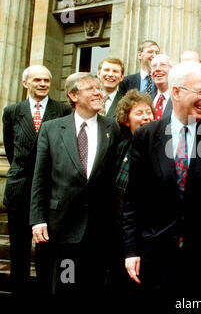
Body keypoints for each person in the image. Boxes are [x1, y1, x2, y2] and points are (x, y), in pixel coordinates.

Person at [123, 61, 201, 294]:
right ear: (176, 92)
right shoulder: (147, 136)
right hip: (156, 254)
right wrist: (131, 250)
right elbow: (133, 199)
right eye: (200, 92)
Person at [30, 72, 120, 293]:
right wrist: (37, 219)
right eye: (91, 88)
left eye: (99, 88)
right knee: (65, 283)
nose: (99, 92)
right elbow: (40, 178)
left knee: (93, 284)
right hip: (62, 227)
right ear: (73, 95)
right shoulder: (52, 129)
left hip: (99, 229)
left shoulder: (112, 128)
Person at [2, 65, 71, 293]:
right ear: (25, 84)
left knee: (46, 251)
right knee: (19, 249)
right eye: (37, 80)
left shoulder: (61, 110)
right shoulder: (13, 111)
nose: (42, 84)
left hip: (49, 191)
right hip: (20, 188)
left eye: (46, 81)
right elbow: (12, 150)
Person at [110, 89, 155, 292]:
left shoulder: (161, 149)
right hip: (118, 237)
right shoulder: (121, 148)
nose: (146, 117)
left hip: (147, 240)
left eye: (149, 112)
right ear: (126, 120)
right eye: (139, 113)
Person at [150, 54, 173, 120]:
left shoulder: (181, 99)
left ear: (171, 70)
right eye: (154, 66)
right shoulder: (148, 100)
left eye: (163, 65)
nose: (157, 69)